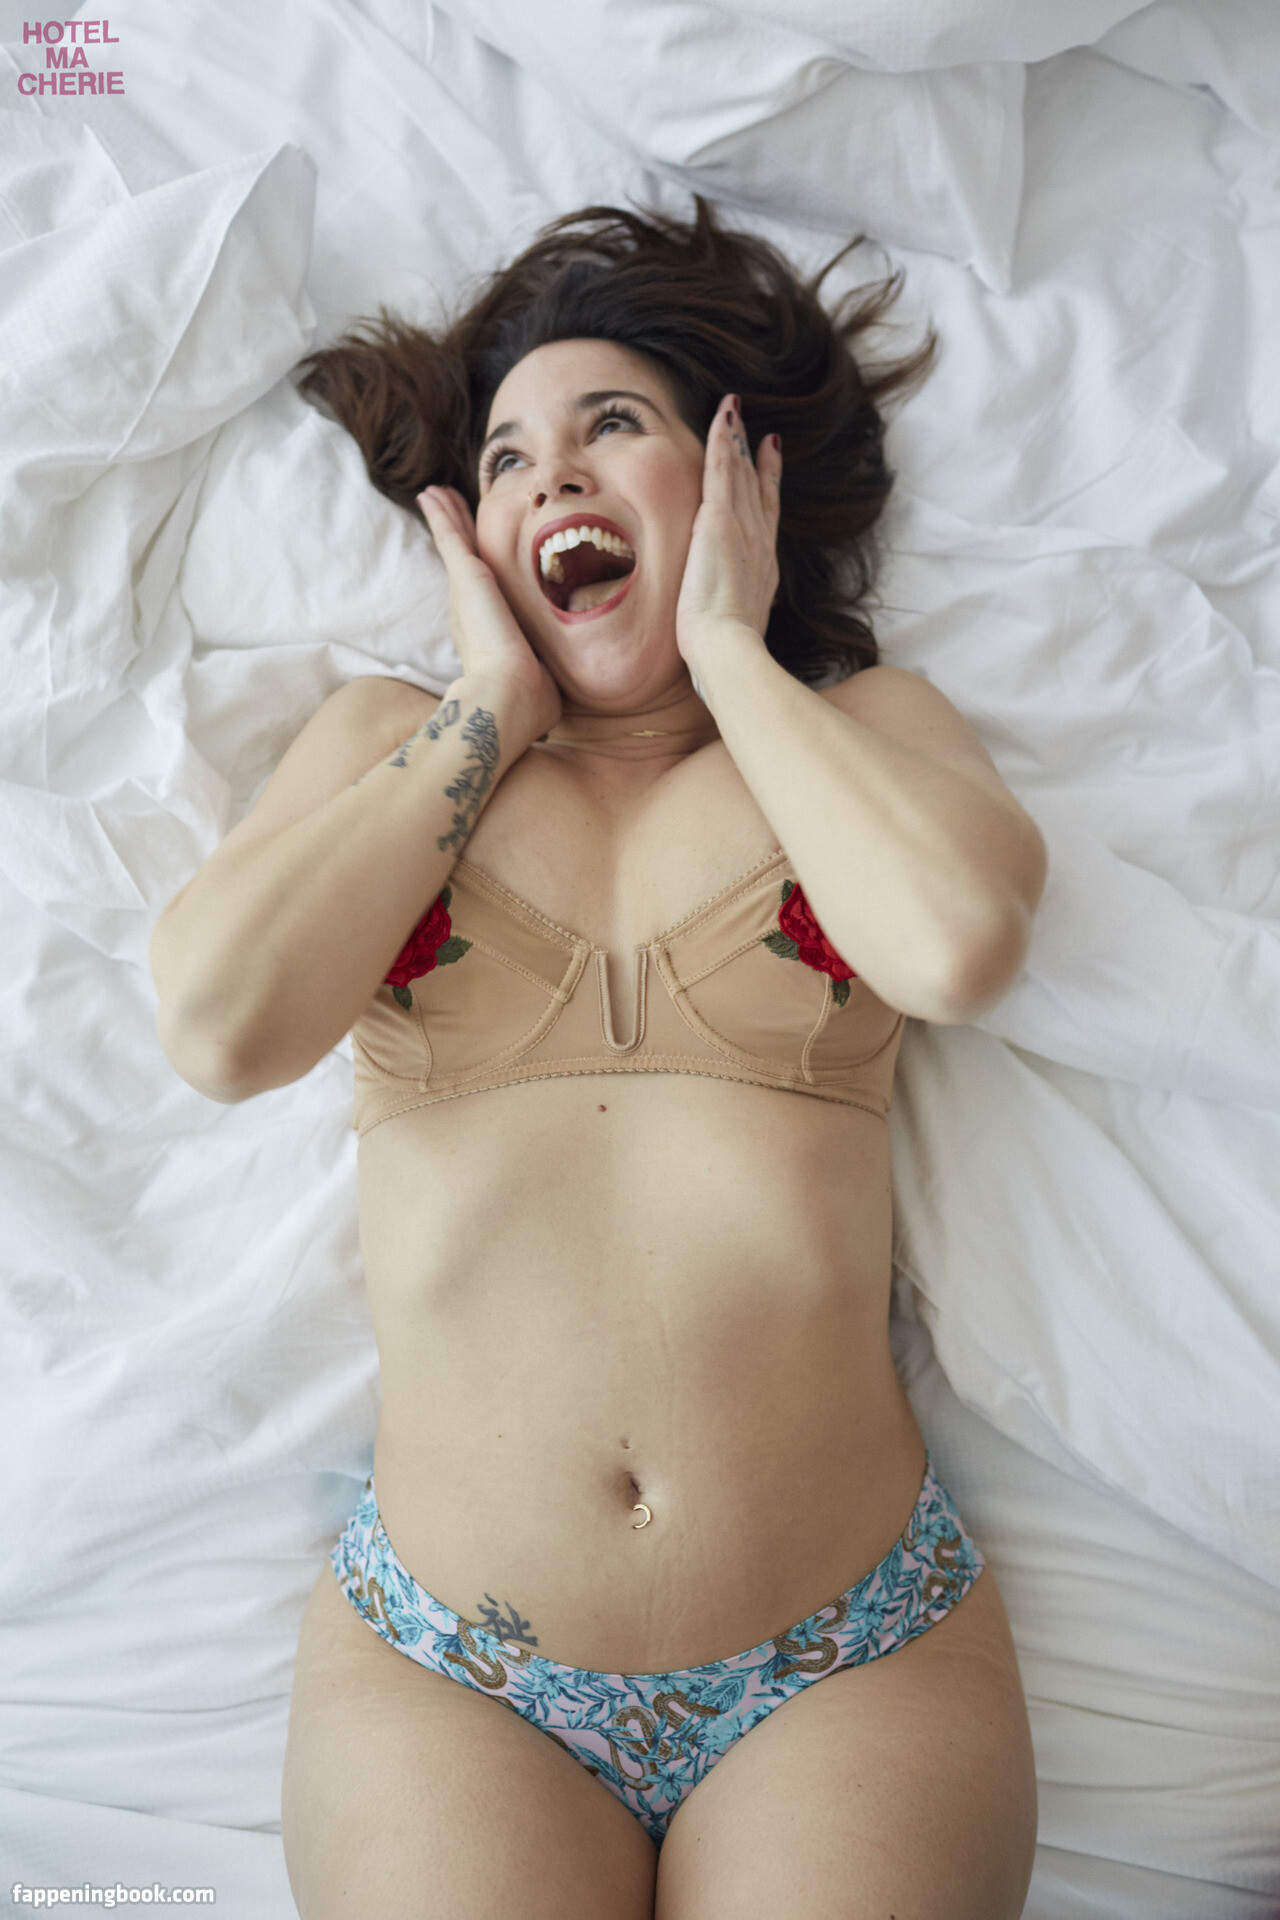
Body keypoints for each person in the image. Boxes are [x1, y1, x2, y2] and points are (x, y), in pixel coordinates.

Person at [150, 200, 1044, 1917]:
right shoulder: (385, 744)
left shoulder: (865, 730)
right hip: (452, 1677)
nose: (549, 474)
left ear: (735, 478)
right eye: (505, 459)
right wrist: (493, 703)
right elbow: (220, 1026)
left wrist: (726, 652)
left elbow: (954, 945)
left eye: (609, 425)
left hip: (847, 1661)